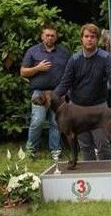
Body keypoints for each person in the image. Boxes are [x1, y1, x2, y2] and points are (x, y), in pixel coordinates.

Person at [54, 23, 111, 160]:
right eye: (86, 36)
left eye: (93, 36)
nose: (89, 39)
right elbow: (64, 84)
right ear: (81, 39)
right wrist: (51, 98)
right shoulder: (74, 60)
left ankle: (108, 173)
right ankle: (89, 174)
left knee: (103, 144)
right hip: (77, 109)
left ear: (97, 40)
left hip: (99, 109)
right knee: (85, 145)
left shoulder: (105, 58)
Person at [20, 24, 69, 157]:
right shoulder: (32, 51)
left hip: (57, 93)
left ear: (56, 37)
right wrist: (37, 68)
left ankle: (55, 150)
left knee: (55, 122)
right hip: (39, 93)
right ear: (42, 36)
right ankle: (31, 150)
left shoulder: (64, 53)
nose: (50, 38)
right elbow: (23, 72)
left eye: (52, 35)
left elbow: (70, 73)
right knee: (37, 120)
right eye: (47, 35)